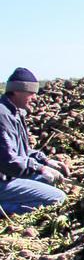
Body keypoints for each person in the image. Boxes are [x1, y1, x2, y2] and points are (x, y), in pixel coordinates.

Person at [0, 67, 68, 216]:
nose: (34, 97)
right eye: (31, 93)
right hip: (3, 179)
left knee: (48, 181)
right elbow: (8, 161)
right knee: (57, 198)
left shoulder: (15, 113)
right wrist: (40, 168)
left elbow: (21, 150)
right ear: (17, 91)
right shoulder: (2, 116)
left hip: (9, 176)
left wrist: (46, 161)